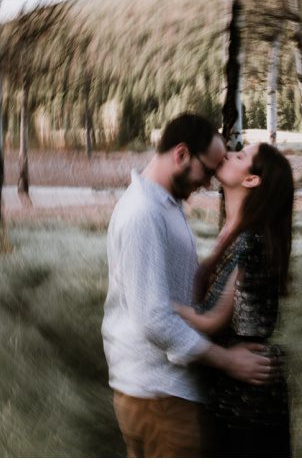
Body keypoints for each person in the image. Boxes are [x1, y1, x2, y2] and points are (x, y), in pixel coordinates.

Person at [101, 113, 273, 458]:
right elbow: (154, 319)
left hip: (167, 392)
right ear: (181, 155)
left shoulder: (165, 205)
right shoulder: (144, 213)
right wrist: (227, 361)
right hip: (158, 395)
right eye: (207, 171)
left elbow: (179, 295)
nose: (210, 182)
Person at [174, 142, 295, 457]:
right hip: (230, 388)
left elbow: (212, 321)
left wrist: (161, 309)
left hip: (247, 402)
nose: (228, 154)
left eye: (240, 156)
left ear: (251, 180)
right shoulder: (233, 231)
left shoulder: (251, 241)